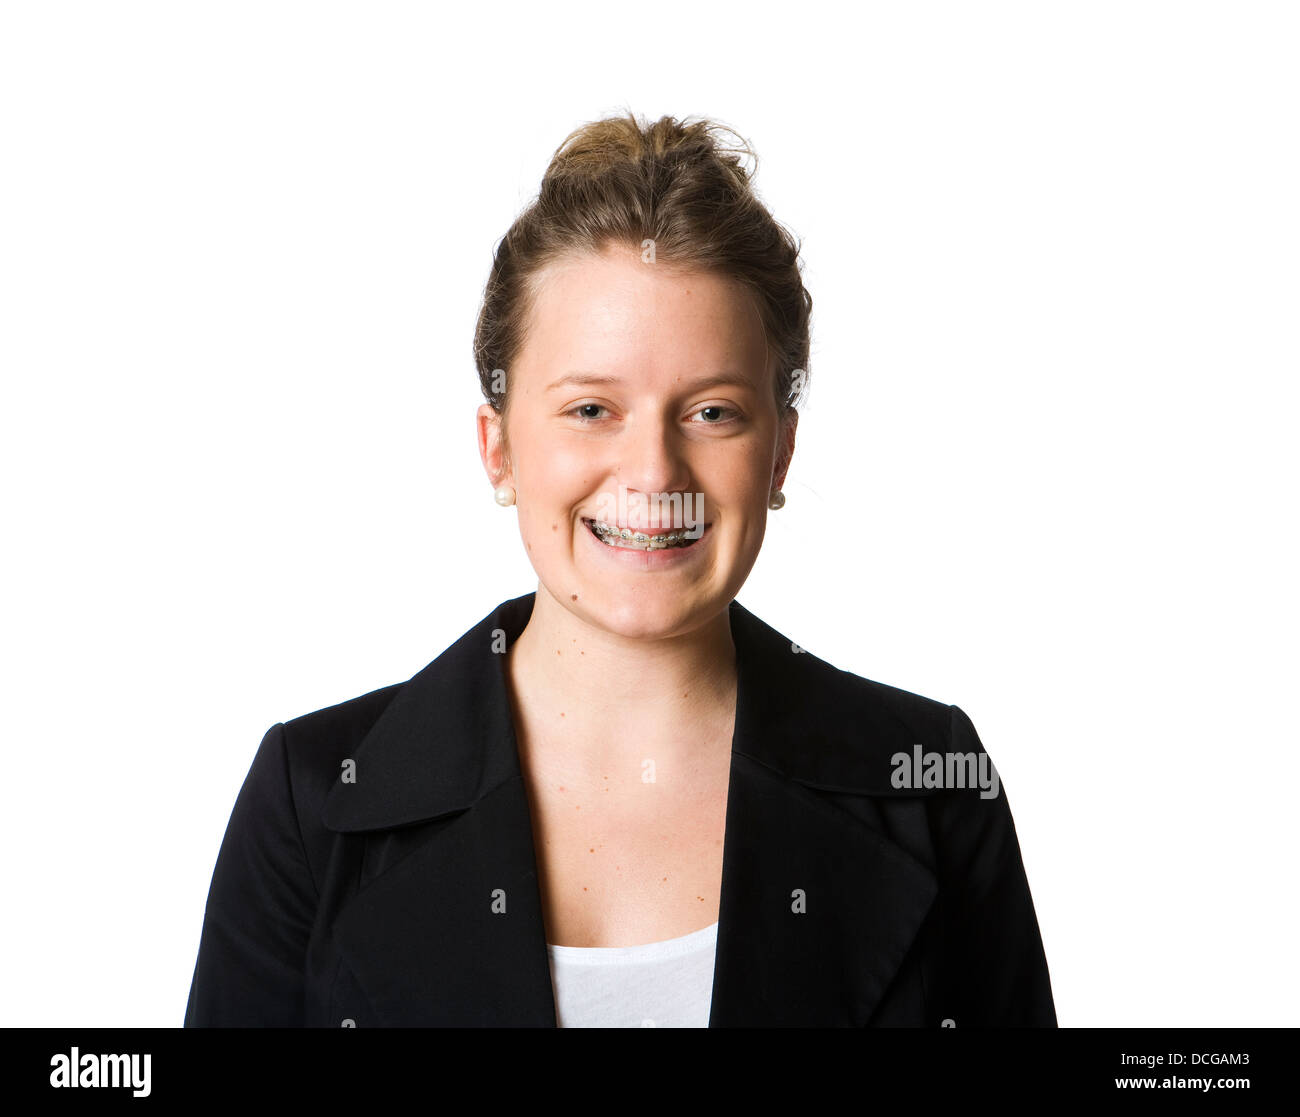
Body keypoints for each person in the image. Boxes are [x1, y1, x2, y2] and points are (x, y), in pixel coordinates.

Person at [184, 111, 1056, 1027]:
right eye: (592, 408)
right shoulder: (313, 801)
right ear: (499, 449)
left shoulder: (930, 785)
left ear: (781, 454)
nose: (653, 473)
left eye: (713, 412)